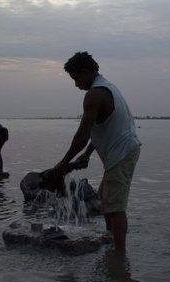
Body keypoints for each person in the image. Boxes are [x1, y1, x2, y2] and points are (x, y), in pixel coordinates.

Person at [53, 51, 141, 254]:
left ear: (86, 71)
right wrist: (88, 154)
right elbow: (102, 129)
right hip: (122, 151)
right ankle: (111, 241)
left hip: (122, 152)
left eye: (76, 78)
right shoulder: (107, 87)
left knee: (116, 207)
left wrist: (64, 162)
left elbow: (81, 136)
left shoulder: (94, 94)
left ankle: (119, 255)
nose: (76, 84)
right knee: (106, 197)